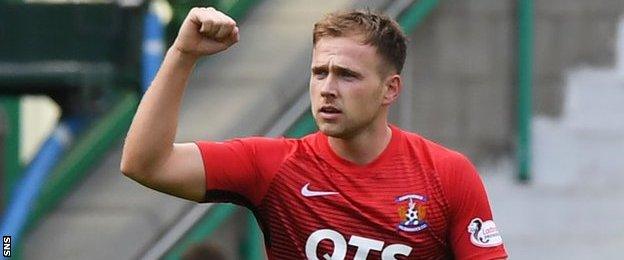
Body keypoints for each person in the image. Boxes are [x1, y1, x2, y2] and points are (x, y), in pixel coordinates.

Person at [121, 6, 508, 259]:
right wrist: (182, 55)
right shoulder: (273, 167)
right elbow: (145, 164)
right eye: (319, 72)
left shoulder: (445, 174)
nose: (327, 88)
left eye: (347, 75)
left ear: (390, 89)